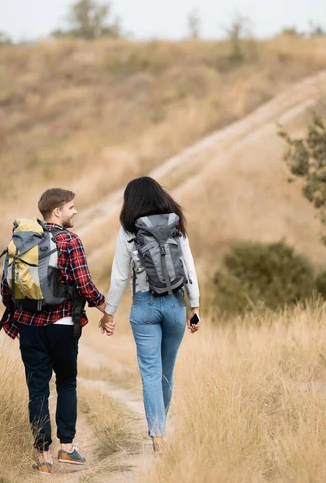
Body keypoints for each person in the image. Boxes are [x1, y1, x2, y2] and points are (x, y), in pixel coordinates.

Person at [0, 188, 113, 474]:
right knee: (66, 383)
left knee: (37, 389)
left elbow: (6, 289)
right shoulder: (69, 240)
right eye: (71, 207)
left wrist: (24, 313)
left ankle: (42, 457)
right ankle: (67, 447)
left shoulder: (22, 241)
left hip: (28, 327)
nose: (75, 212)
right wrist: (105, 310)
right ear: (57, 211)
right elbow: (85, 285)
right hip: (62, 325)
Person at [99, 176, 200, 452]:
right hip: (175, 306)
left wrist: (109, 313)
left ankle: (157, 434)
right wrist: (195, 307)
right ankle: (159, 428)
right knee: (167, 372)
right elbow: (188, 267)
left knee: (150, 373)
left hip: (144, 307)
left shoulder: (129, 230)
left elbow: (120, 276)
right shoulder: (175, 224)